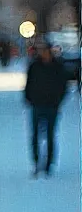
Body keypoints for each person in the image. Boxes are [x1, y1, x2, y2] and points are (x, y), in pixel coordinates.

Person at [24, 41, 69, 178]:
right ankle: (37, 163)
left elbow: (63, 85)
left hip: (51, 105)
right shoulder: (34, 66)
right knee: (35, 136)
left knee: (50, 135)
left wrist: (58, 100)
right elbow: (29, 84)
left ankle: (49, 164)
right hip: (37, 105)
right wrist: (29, 98)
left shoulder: (57, 67)